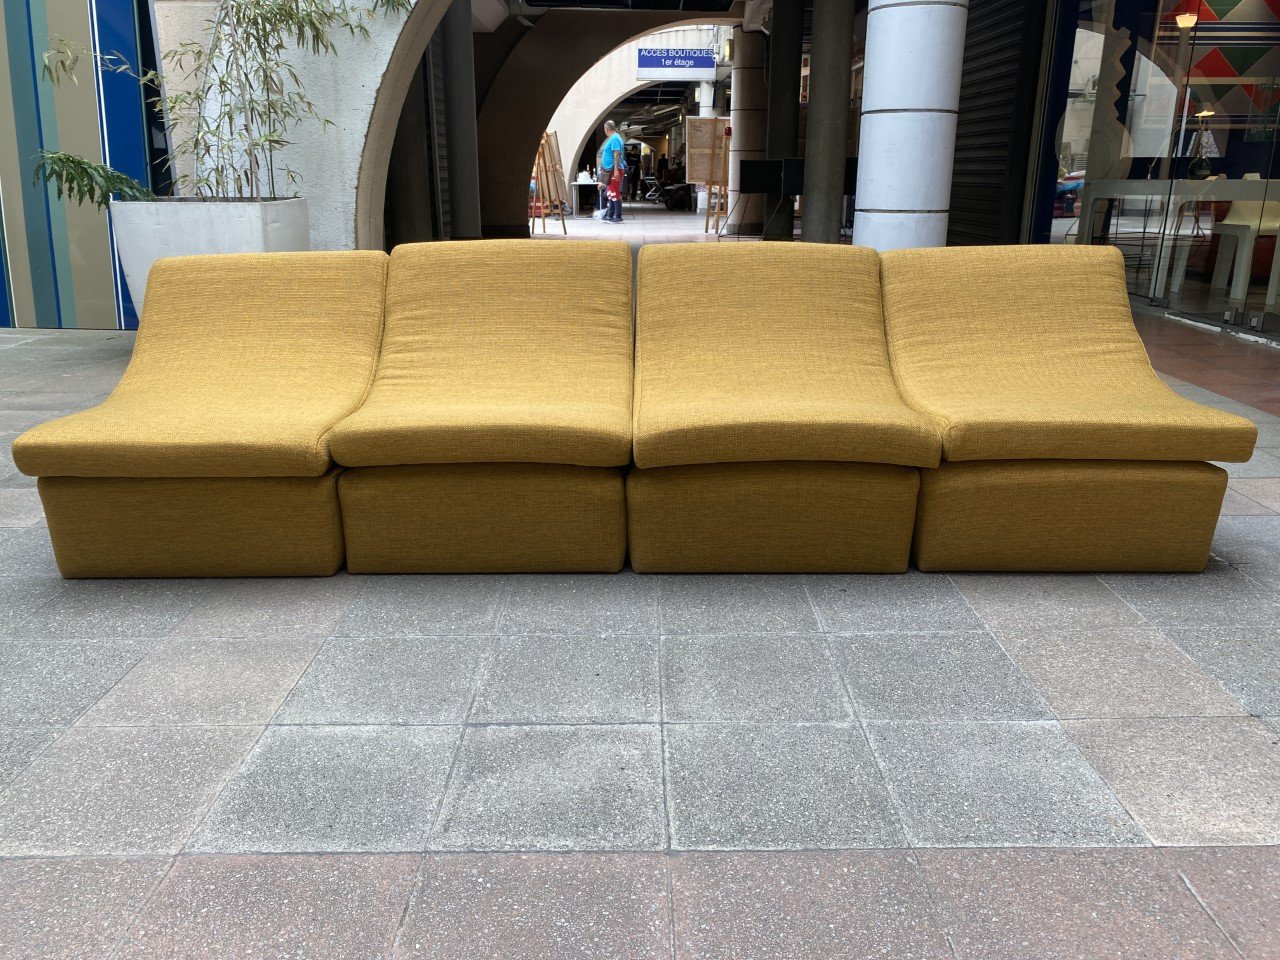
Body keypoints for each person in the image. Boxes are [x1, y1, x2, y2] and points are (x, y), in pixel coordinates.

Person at [599, 120, 626, 223]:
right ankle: (610, 216)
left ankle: (618, 216)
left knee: (614, 193)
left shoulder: (614, 138)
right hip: (610, 170)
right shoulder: (614, 137)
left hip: (614, 169)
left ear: (606, 129)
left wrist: (616, 171)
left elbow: (616, 154)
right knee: (610, 193)